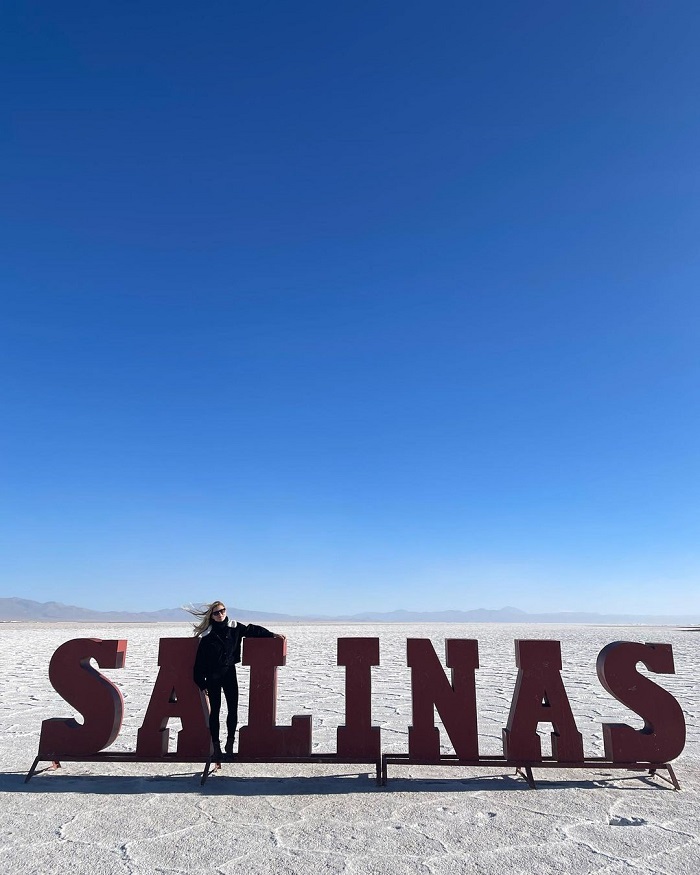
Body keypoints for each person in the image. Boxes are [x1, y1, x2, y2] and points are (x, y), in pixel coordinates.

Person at [188, 600, 285, 758]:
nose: (221, 614)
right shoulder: (207, 636)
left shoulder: (235, 627)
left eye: (223, 610)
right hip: (212, 677)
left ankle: (230, 744)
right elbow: (199, 663)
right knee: (215, 712)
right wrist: (202, 683)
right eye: (216, 613)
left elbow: (252, 630)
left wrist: (272, 634)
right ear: (211, 616)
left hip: (229, 675)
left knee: (233, 709)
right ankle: (216, 747)